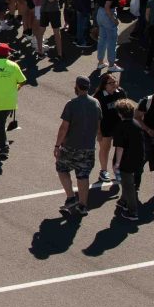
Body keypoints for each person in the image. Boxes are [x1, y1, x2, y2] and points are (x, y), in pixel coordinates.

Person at [54, 75, 102, 216]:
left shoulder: (72, 104)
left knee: (62, 169)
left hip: (70, 147)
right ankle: (83, 205)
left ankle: (70, 197)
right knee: (83, 175)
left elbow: (64, 127)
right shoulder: (95, 103)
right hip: (88, 148)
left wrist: (57, 146)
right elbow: (99, 125)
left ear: (77, 87)